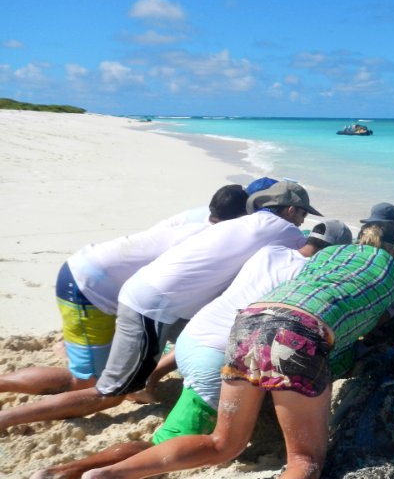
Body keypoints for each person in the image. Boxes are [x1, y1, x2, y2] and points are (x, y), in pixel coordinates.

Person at [79, 223, 394, 479]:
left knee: (223, 442)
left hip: (249, 321)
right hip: (298, 335)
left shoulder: (328, 257)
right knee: (305, 462)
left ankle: (108, 477)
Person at [26, 221, 353, 479]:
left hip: (191, 339)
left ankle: (152, 379)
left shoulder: (269, 253)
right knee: (170, 444)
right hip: (217, 359)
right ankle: (68, 474)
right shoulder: (310, 280)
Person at [0, 180, 314, 431]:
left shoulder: (248, 223)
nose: (303, 220)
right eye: (303, 214)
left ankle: (149, 377)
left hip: (145, 294)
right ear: (290, 210)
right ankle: (8, 419)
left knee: (197, 331)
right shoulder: (285, 232)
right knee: (108, 395)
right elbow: (308, 253)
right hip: (149, 308)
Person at [0, 184, 249, 398]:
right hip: (88, 290)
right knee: (87, 381)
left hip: (94, 273)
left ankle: (73, 344)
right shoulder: (220, 241)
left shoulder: (202, 220)